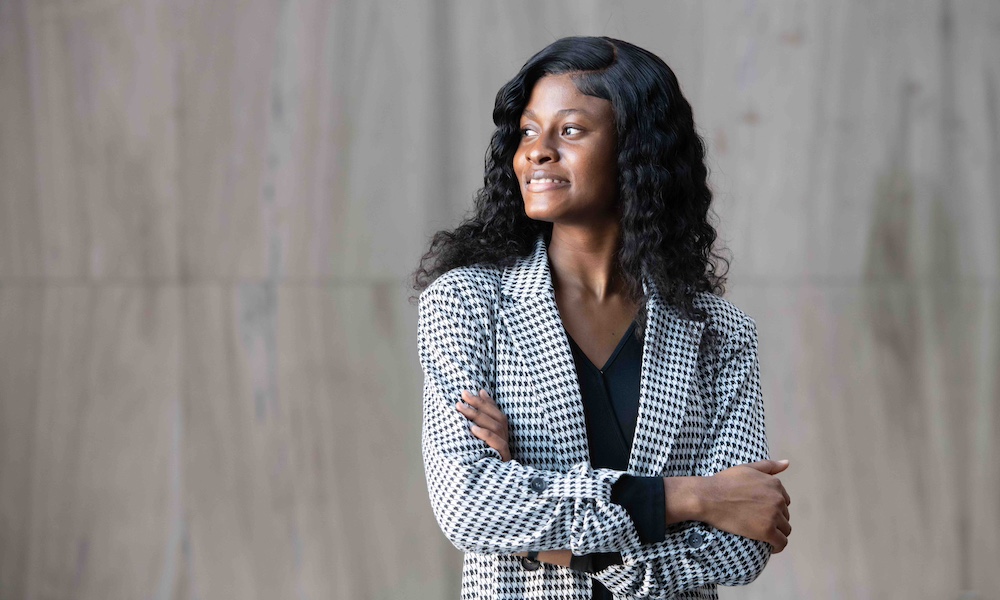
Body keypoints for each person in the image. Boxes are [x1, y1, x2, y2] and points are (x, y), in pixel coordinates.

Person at [411, 36, 791, 600]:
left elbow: (743, 543)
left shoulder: (720, 333)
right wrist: (692, 498)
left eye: (569, 130)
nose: (537, 151)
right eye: (527, 131)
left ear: (636, 152)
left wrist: (543, 531)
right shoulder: (467, 304)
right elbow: (469, 506)